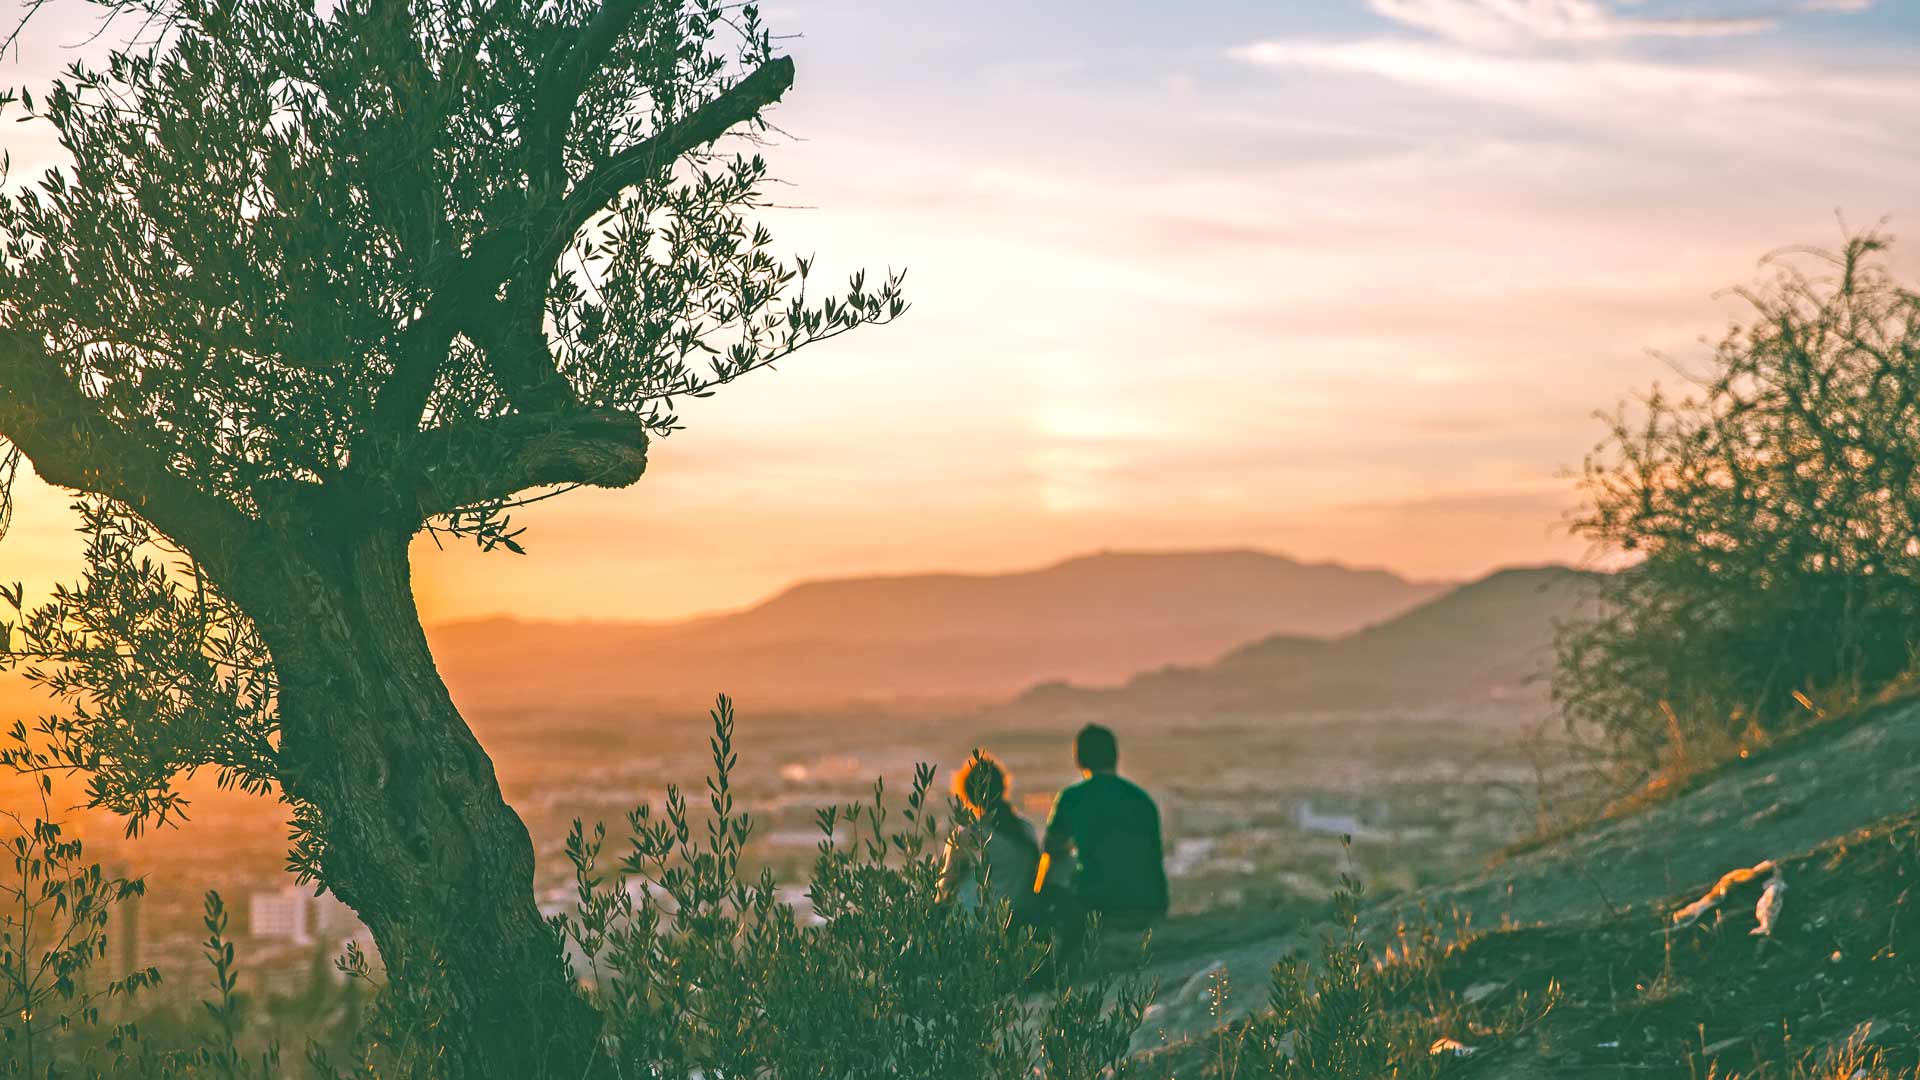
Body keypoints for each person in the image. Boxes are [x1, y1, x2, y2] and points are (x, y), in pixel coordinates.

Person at [1039, 724, 1169, 940]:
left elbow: (1051, 848)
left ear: (1078, 759)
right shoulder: (1141, 799)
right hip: (1150, 906)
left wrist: (1038, 897)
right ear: (1116, 756)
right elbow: (1155, 857)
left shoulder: (1072, 798)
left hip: (1100, 906)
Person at [937, 751, 1043, 926]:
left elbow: (944, 889)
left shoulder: (968, 834)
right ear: (1002, 788)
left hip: (971, 924)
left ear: (968, 793)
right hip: (1016, 924)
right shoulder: (1026, 830)